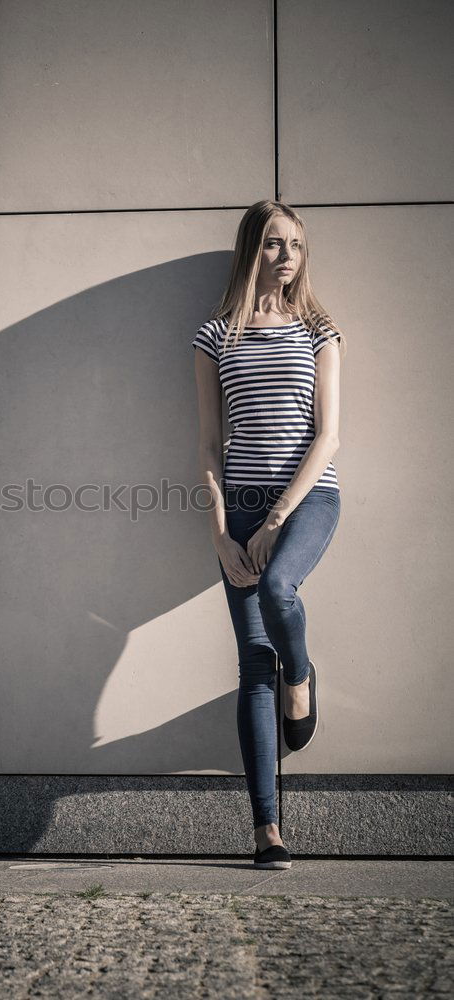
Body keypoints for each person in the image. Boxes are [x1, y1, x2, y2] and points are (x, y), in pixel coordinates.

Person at [191, 199, 346, 870]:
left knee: (279, 586)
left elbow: (328, 434)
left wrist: (277, 518)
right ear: (249, 249)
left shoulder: (317, 329)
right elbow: (207, 441)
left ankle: (303, 677)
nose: (286, 257)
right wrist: (221, 534)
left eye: (295, 246)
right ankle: (266, 831)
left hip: (308, 498)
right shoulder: (212, 336)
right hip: (242, 504)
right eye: (273, 244)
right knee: (253, 665)